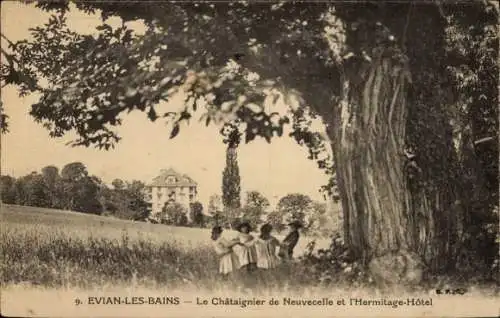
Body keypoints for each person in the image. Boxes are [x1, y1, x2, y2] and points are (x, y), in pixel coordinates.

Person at [254, 223, 281, 288]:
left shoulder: (257, 239)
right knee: (271, 275)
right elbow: (279, 244)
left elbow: (249, 245)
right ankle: (272, 287)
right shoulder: (273, 239)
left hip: (262, 259)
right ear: (269, 231)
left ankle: (263, 287)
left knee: (262, 276)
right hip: (272, 259)